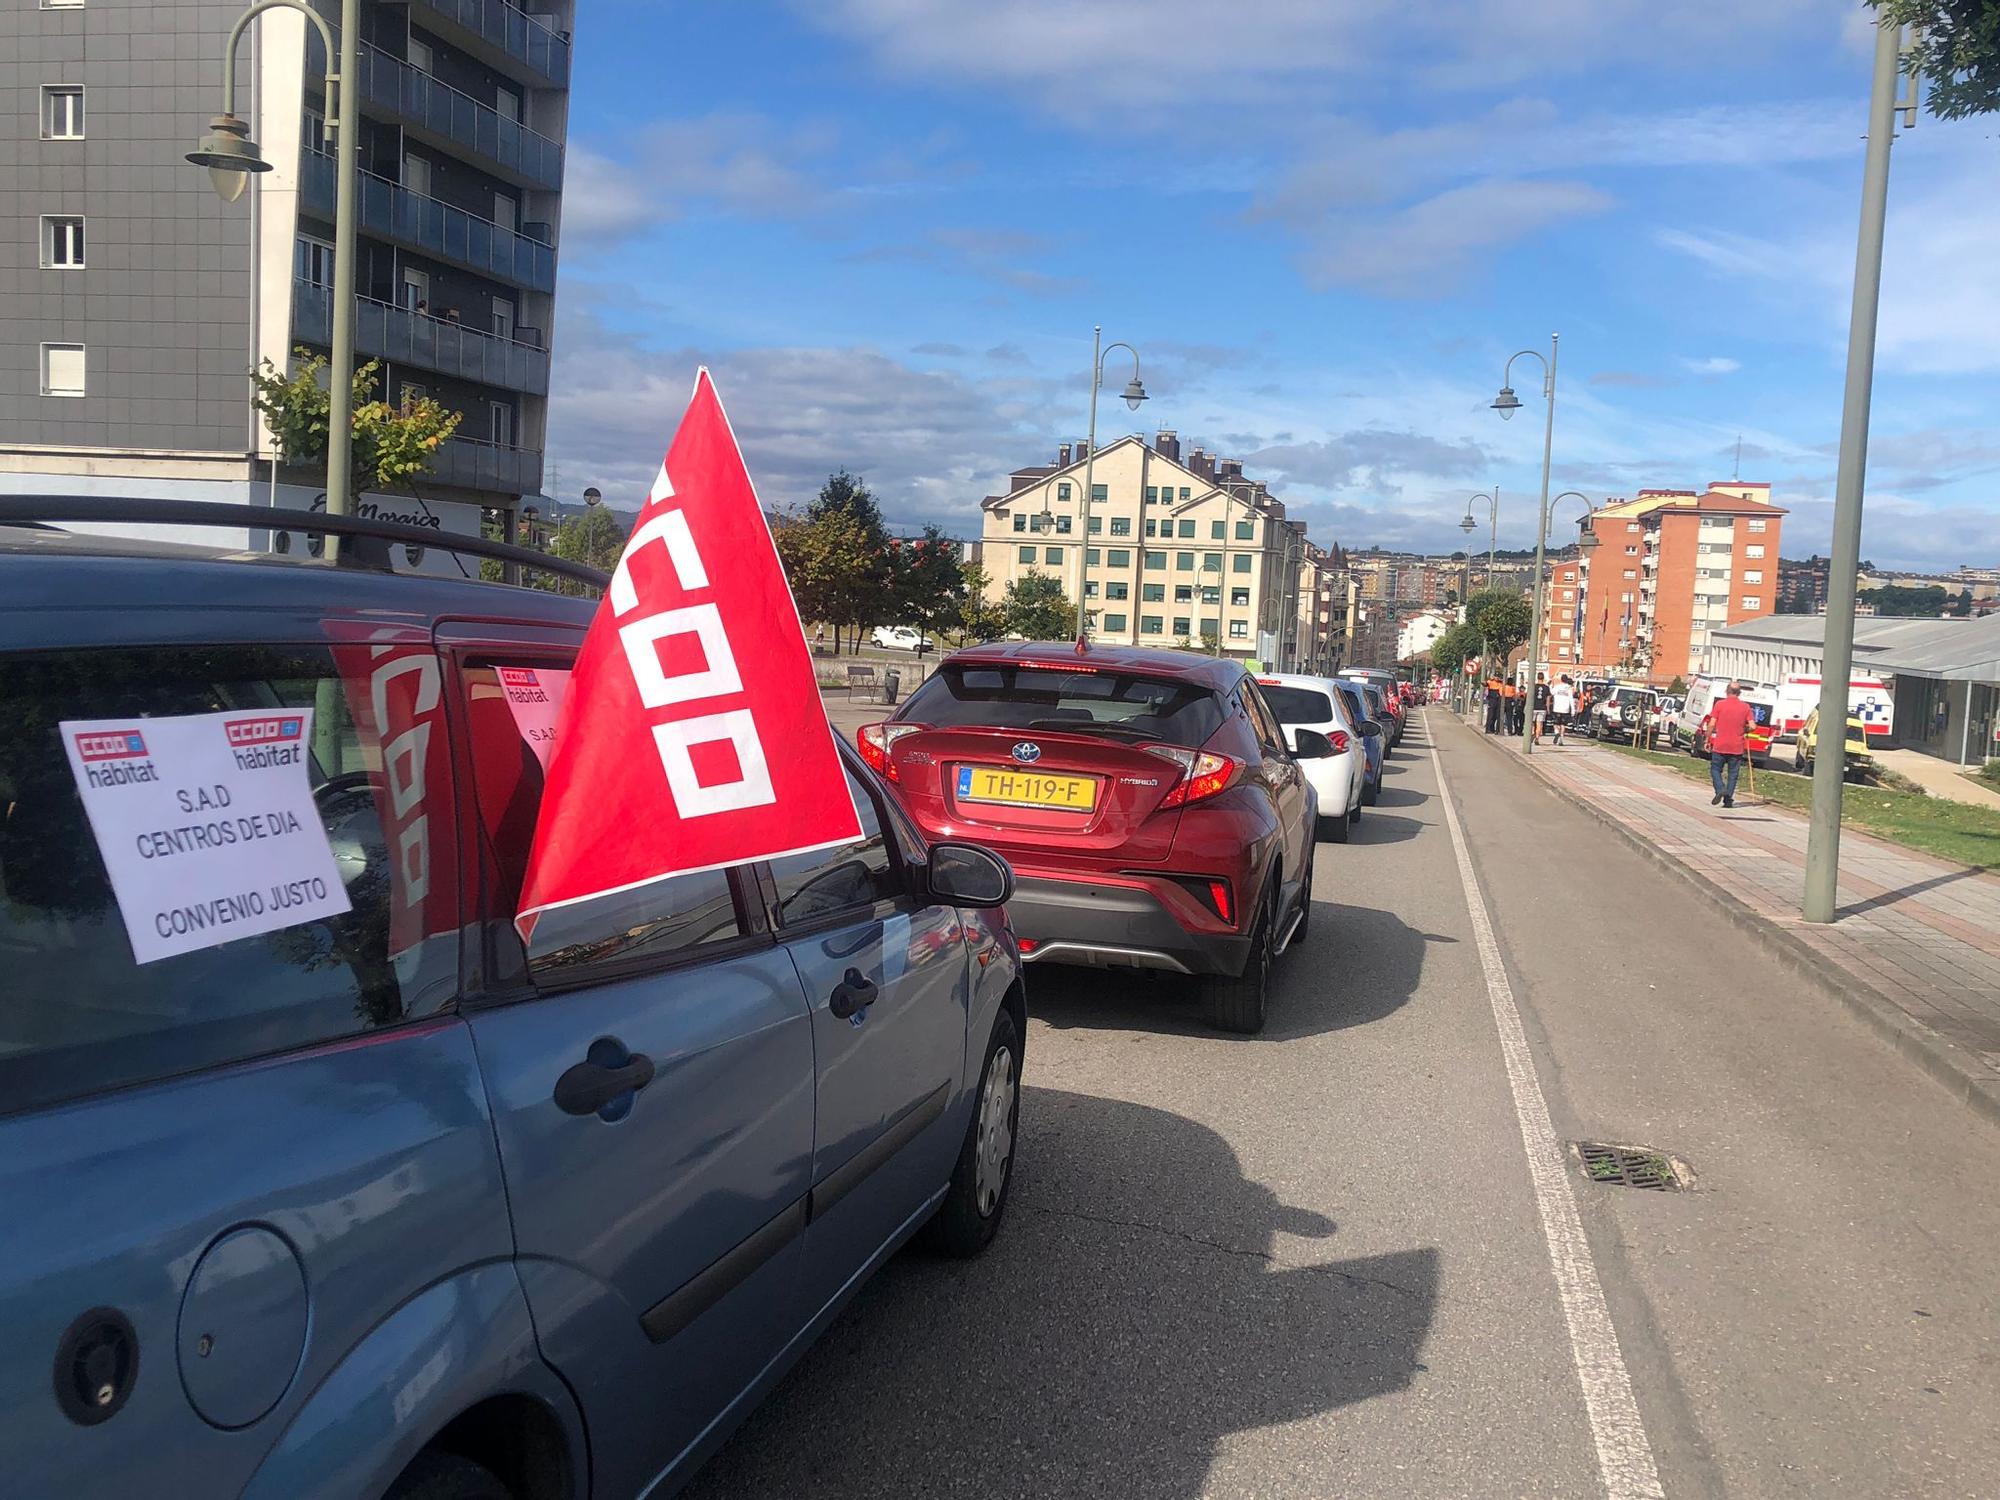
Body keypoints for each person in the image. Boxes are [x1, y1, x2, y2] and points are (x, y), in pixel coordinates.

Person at [1703, 681, 1757, 809]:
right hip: (1736, 747)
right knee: (1733, 774)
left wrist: (1707, 739)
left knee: (1715, 769)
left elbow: (1711, 724)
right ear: (1739, 693)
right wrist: (1745, 730)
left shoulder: (1720, 705)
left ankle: (1720, 788)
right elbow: (1753, 726)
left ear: (1727, 691)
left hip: (1720, 745)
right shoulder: (1745, 707)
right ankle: (1728, 800)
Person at [1550, 674, 1576, 745]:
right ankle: (1561, 739)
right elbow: (1571, 699)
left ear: (1561, 679)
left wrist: (1550, 685)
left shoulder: (1557, 687)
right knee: (1563, 724)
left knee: (1556, 723)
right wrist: (1573, 710)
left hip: (1557, 708)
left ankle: (1556, 732)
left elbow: (1551, 692)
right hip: (1565, 709)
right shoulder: (1569, 688)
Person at [1532, 673, 1551, 745]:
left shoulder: (1533, 686)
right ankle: (1537, 737)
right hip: (1542, 708)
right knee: (1539, 723)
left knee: (1532, 722)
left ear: (1537, 678)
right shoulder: (1546, 687)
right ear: (1543, 678)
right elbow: (1548, 699)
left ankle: (1533, 733)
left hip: (1533, 707)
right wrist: (1548, 708)